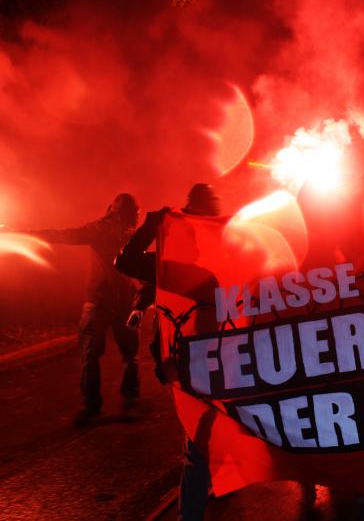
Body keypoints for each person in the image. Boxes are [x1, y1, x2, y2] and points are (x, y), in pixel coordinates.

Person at [115, 183, 220, 521]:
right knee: (198, 440)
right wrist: (151, 226)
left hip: (226, 360)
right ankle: (194, 506)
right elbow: (126, 261)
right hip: (190, 362)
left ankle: (211, 487)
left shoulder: (229, 253)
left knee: (210, 437)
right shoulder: (169, 263)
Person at [26, 193, 141, 426]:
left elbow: (66, 235)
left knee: (100, 356)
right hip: (106, 302)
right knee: (120, 356)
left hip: (113, 302)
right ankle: (115, 405)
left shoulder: (125, 232)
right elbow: (66, 235)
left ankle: (97, 407)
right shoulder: (120, 231)